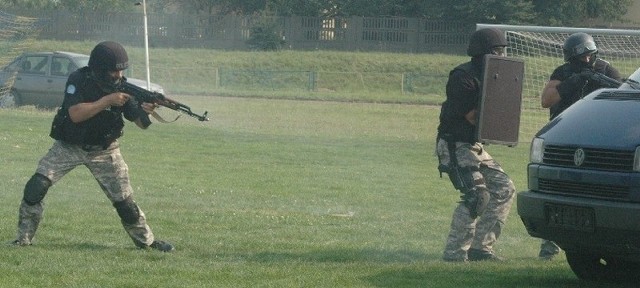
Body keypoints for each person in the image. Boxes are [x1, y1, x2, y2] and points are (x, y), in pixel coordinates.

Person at [12, 41, 174, 252]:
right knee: (36, 187)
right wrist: (107, 100)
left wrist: (148, 110)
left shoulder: (123, 88)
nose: (118, 75)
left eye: (121, 70)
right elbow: (75, 114)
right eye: (113, 70)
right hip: (68, 146)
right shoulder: (78, 80)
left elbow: (141, 124)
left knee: (125, 203)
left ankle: (147, 243)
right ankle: (22, 240)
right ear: (99, 68)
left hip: (105, 150)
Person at [538, 32, 621, 260]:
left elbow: (624, 97)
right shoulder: (563, 73)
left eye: (589, 56)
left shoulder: (606, 70)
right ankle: (550, 244)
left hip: (596, 140)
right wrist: (570, 85)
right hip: (564, 137)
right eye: (581, 57)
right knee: (556, 190)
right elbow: (546, 100)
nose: (586, 61)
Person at [436, 28, 516, 262]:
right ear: (486, 52)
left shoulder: (492, 75)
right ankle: (454, 254)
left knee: (504, 188)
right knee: (477, 196)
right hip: (455, 144)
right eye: (498, 51)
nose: (502, 55)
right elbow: (474, 117)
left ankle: (481, 248)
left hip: (473, 145)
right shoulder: (463, 77)